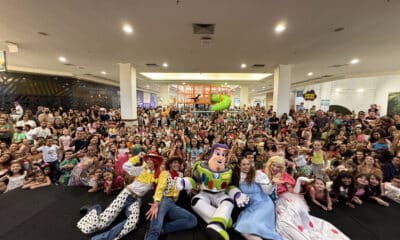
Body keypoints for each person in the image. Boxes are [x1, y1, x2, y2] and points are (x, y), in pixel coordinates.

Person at [77, 152, 162, 240]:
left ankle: (102, 238)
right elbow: (125, 167)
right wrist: (137, 157)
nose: (148, 161)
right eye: (147, 159)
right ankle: (92, 209)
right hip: (126, 195)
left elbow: (160, 188)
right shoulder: (141, 170)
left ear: (155, 162)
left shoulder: (158, 175)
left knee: (132, 223)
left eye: (151, 160)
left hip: (136, 200)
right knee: (103, 223)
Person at [175, 143, 249, 240]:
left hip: (221, 194)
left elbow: (229, 187)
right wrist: (184, 182)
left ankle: (215, 226)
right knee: (195, 202)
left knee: (228, 202)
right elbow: (193, 181)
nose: (221, 157)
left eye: (223, 155)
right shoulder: (200, 167)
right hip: (204, 193)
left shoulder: (229, 171)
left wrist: (237, 194)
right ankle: (222, 222)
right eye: (218, 153)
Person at [265, 156, 349, 240]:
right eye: (273, 165)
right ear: (269, 164)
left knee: (292, 219)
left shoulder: (285, 176)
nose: (275, 168)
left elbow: (294, 191)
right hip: (273, 202)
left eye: (278, 166)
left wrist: (298, 181)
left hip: (287, 199)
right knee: (284, 223)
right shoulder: (262, 175)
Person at [145, 156, 197, 240]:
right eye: (174, 162)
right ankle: (154, 232)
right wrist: (156, 203)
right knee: (155, 228)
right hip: (163, 200)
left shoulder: (180, 175)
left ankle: (163, 229)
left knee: (192, 220)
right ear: (170, 164)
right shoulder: (165, 173)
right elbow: (160, 188)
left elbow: (183, 187)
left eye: (178, 163)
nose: (177, 164)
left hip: (172, 204)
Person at [231, 157, 282, 240]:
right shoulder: (237, 177)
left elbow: (267, 191)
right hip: (250, 207)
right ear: (239, 166)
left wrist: (272, 183)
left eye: (248, 164)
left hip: (264, 204)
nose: (247, 166)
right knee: (243, 229)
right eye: (244, 164)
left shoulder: (257, 174)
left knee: (250, 226)